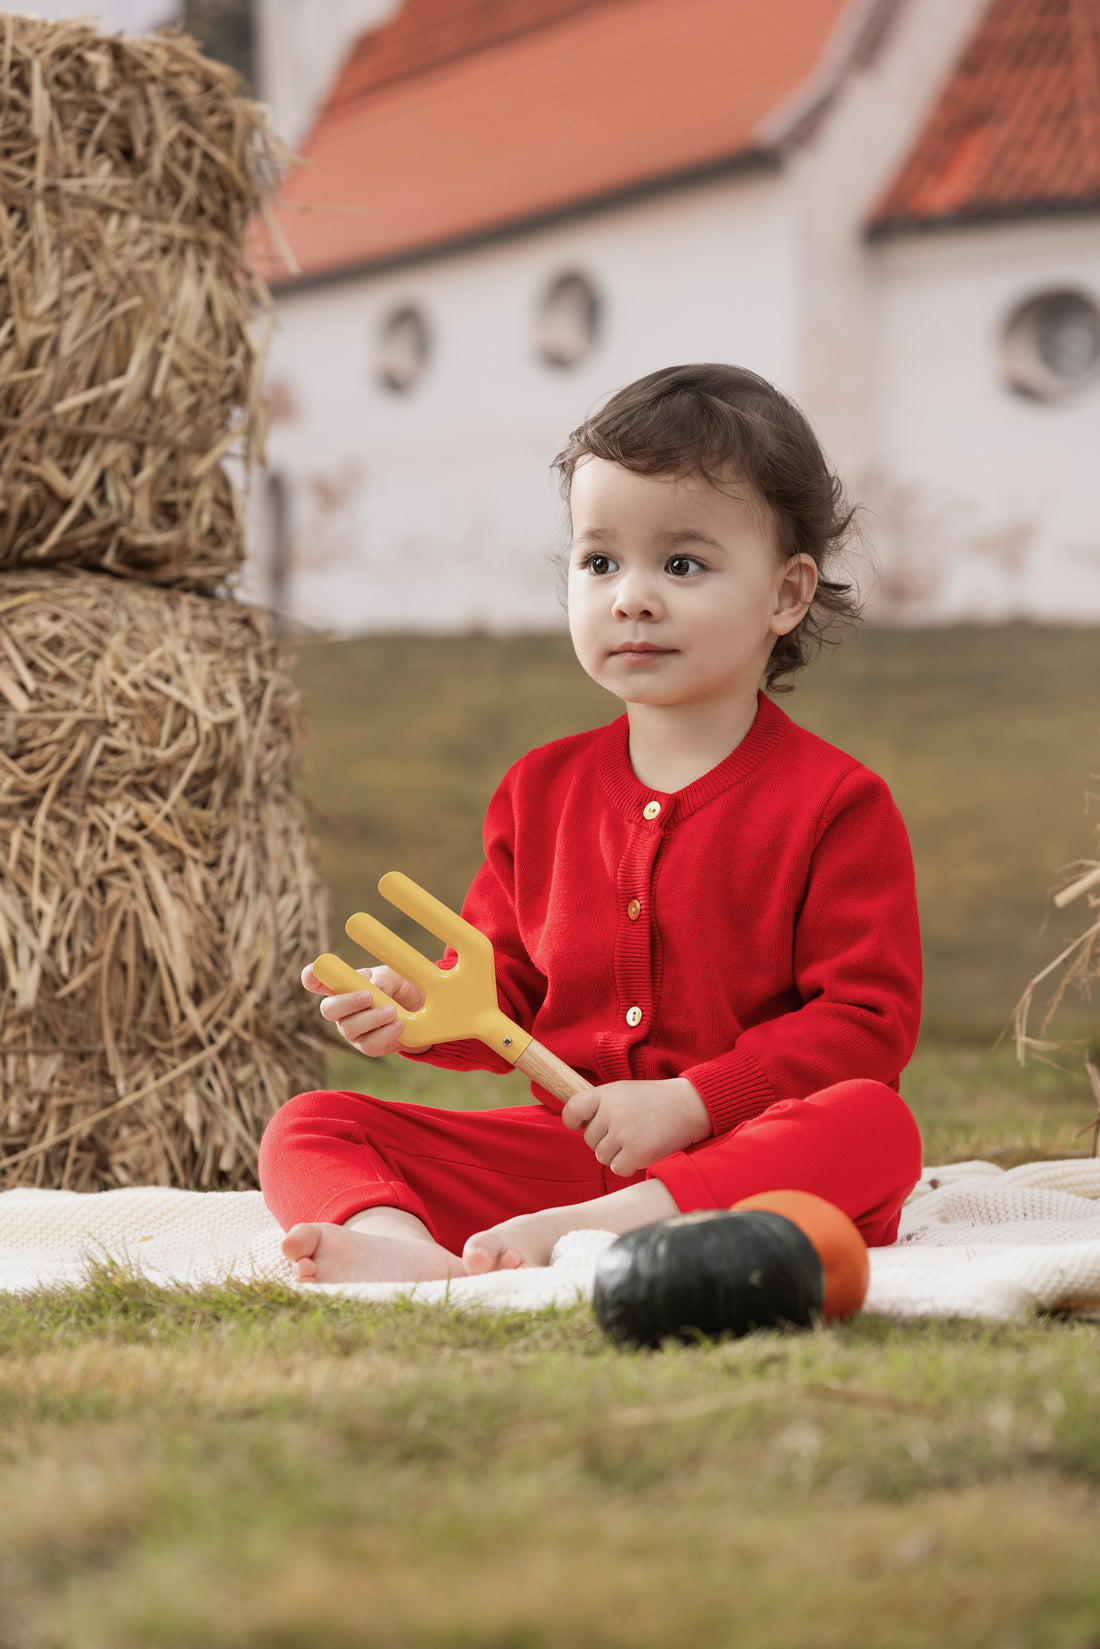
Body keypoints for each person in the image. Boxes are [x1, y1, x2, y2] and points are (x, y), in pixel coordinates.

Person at [259, 363, 922, 1285]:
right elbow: (506, 996)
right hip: (565, 1153)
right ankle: (408, 1251)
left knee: (876, 1124)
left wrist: (692, 1102)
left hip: (749, 1157)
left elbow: (865, 1025)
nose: (632, 596)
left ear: (786, 594)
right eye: (600, 560)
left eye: (682, 563)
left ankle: (609, 1228)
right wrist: (421, 1016)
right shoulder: (538, 793)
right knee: (313, 1123)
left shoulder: (837, 804)